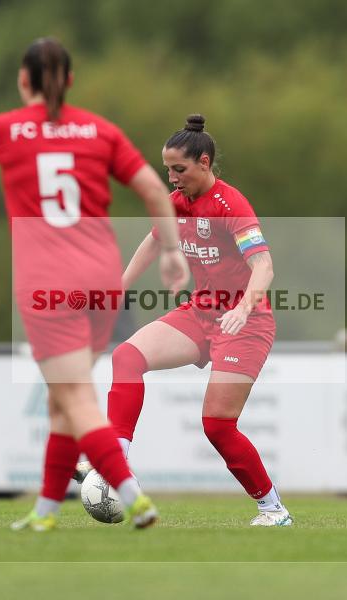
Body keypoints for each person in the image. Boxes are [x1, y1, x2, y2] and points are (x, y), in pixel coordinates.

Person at [0, 38, 189, 531]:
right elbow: (151, 188)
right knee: (64, 401)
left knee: (75, 398)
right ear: (71, 82)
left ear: (23, 81)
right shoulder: (100, 131)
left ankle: (132, 497)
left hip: (48, 286)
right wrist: (170, 252)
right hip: (102, 284)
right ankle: (44, 515)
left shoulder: (2, 130)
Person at [94, 114, 292, 526]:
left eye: (179, 170)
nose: (172, 179)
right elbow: (154, 242)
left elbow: (265, 266)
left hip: (246, 323)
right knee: (127, 357)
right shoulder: (177, 203)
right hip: (201, 312)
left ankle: (273, 508)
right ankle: (118, 462)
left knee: (217, 425)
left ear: (204, 163)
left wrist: (242, 308)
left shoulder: (230, 205)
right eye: (167, 170)